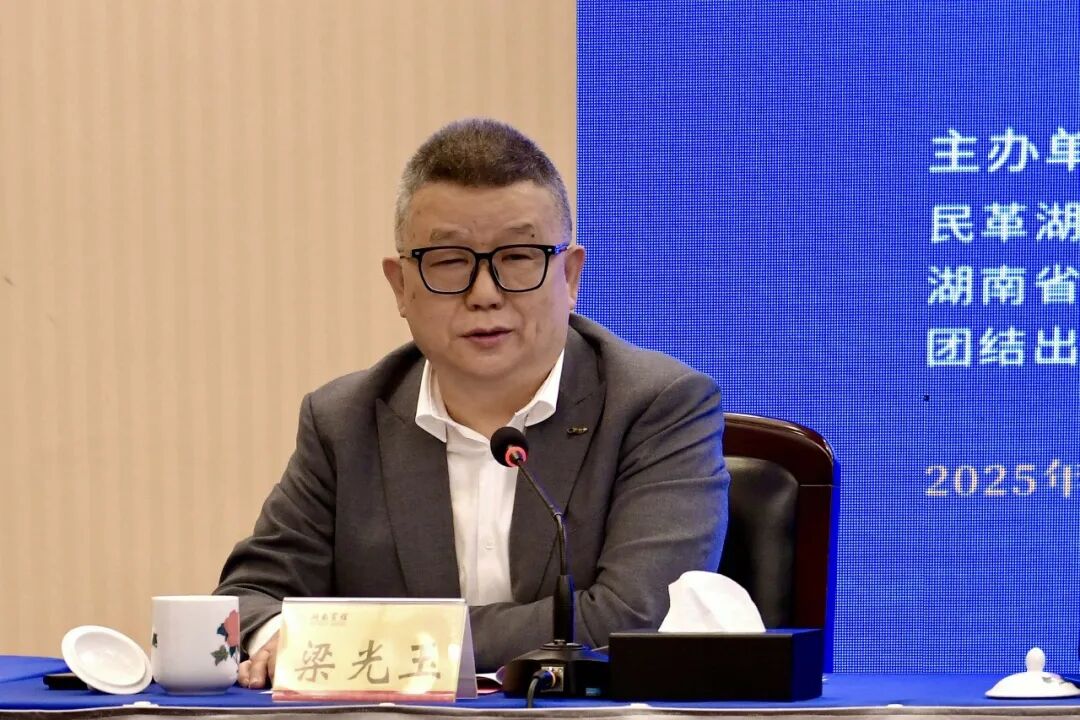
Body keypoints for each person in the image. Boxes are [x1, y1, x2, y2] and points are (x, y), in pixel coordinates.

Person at [215, 118, 730, 686]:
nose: (485, 294)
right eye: (449, 261)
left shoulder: (658, 406)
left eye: (519, 257)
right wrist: (279, 638)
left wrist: (374, 643)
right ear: (400, 286)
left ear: (570, 276)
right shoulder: (345, 420)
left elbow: (634, 618)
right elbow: (248, 601)